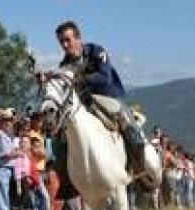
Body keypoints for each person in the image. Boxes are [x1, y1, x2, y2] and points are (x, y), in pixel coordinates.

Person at [53, 21, 147, 171]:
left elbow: (105, 77)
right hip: (81, 102)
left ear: (78, 38)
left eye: (67, 40)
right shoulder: (64, 65)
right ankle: (66, 177)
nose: (64, 45)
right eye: (61, 42)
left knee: (127, 122)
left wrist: (80, 79)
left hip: (106, 95)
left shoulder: (96, 51)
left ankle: (140, 166)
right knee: (59, 135)